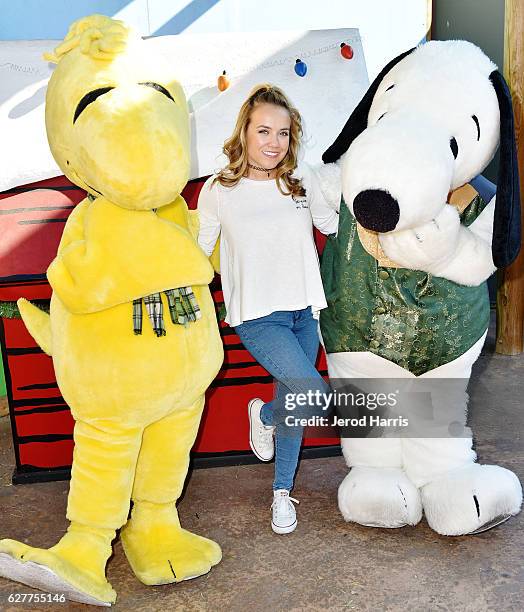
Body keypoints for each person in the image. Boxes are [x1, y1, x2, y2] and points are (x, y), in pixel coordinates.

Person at [197, 84, 338, 534]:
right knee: (311, 394)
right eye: (264, 131)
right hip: (257, 314)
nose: (274, 142)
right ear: (244, 132)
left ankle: (281, 493)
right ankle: (263, 416)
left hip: (305, 309)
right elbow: (199, 252)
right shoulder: (219, 189)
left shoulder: (300, 180)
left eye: (282, 132)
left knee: (295, 401)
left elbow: (330, 224)